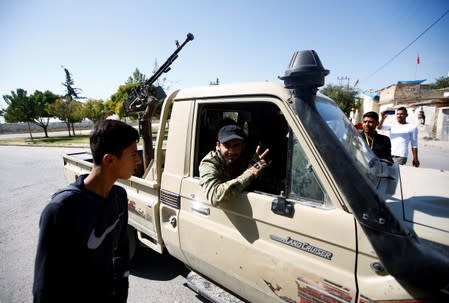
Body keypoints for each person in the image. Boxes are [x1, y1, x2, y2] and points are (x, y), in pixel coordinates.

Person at [33, 119, 141, 303]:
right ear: (109, 160)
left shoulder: (119, 196)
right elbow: (44, 287)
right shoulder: (62, 209)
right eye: (133, 154)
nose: (138, 160)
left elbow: (121, 253)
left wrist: (121, 295)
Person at [199, 124, 269, 205]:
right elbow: (215, 197)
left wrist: (260, 169)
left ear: (242, 146)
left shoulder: (245, 158)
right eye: (227, 145)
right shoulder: (209, 163)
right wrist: (250, 173)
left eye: (236, 145)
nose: (231, 151)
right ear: (218, 145)